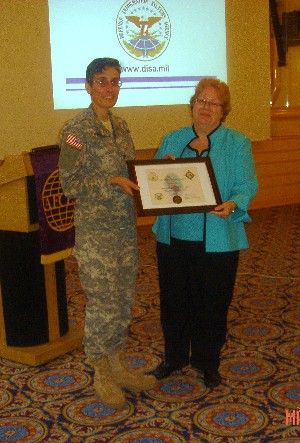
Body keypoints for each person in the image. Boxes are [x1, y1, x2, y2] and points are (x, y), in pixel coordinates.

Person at [58, 58, 156, 409]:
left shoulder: (122, 126)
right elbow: (69, 184)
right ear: (88, 86)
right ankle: (101, 373)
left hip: (125, 232)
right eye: (102, 82)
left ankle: (117, 363)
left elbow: (131, 173)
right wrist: (109, 183)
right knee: (101, 305)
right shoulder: (75, 131)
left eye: (115, 82)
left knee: (123, 300)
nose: (109, 89)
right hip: (96, 235)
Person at [150, 78, 258, 388]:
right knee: (173, 301)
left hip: (218, 238)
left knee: (213, 302)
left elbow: (247, 184)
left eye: (213, 103)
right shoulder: (173, 139)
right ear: (192, 106)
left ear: (224, 111)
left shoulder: (237, 143)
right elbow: (153, 183)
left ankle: (207, 361)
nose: (206, 108)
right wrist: (161, 169)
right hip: (173, 238)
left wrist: (235, 202)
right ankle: (174, 357)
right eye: (200, 101)